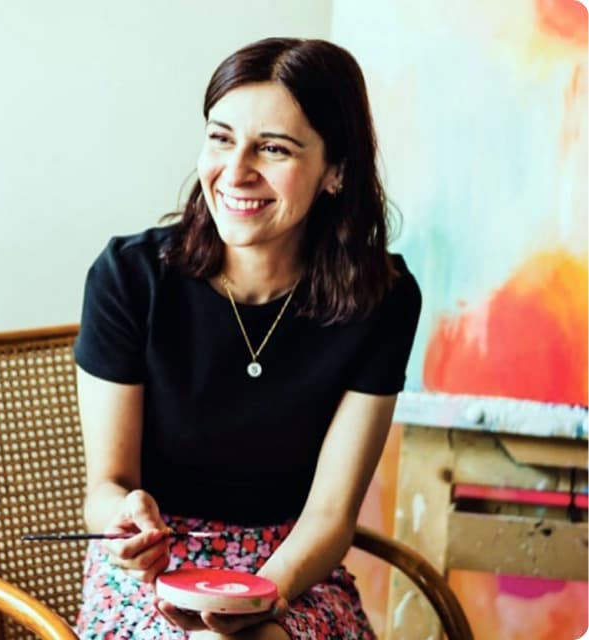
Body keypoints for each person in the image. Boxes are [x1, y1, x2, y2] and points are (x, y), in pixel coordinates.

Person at [73, 36, 421, 640]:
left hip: (295, 565)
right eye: (221, 138)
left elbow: (330, 514)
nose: (235, 172)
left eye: (274, 148)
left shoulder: (382, 300)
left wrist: (256, 600)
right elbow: (107, 486)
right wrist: (123, 520)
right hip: (155, 566)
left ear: (336, 171)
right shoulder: (128, 278)